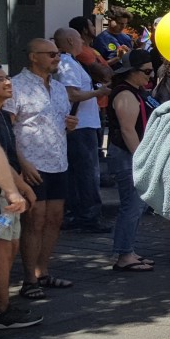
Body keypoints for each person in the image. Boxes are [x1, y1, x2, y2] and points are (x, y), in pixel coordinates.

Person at [10, 39, 77, 300]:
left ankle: (43, 271)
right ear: (33, 57)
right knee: (34, 220)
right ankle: (28, 279)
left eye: (58, 53)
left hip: (58, 161)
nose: (57, 58)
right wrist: (22, 163)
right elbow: (8, 128)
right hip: (32, 164)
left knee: (54, 218)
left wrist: (69, 126)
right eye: (51, 54)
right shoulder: (16, 86)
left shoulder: (60, 88)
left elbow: (59, 123)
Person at [53, 28, 110, 233]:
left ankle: (79, 214)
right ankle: (88, 216)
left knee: (80, 172)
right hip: (80, 125)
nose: (82, 43)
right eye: (79, 39)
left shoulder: (71, 62)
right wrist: (99, 92)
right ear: (70, 40)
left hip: (83, 123)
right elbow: (72, 94)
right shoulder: (67, 63)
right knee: (87, 173)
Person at [0, 65, 38, 329]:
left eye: (6, 77)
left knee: (9, 248)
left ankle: (2, 305)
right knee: (2, 249)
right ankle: (1, 310)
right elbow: (1, 162)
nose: (7, 83)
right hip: (2, 194)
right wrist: (21, 187)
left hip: (6, 193)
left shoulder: (1, 114)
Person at [107, 50, 158, 271]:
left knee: (137, 205)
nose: (150, 75)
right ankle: (124, 255)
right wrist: (142, 160)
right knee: (132, 205)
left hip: (132, 154)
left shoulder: (135, 91)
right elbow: (128, 131)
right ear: (132, 72)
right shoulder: (125, 94)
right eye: (146, 71)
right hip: (127, 156)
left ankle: (129, 251)